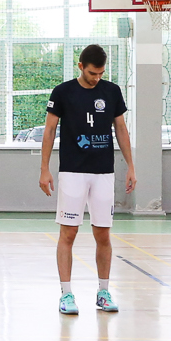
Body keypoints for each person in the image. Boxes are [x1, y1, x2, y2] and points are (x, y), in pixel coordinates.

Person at [39, 45, 136, 315]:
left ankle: (103, 291)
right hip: (73, 171)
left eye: (101, 73)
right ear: (80, 66)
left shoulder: (112, 91)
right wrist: (44, 168)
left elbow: (121, 129)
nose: (97, 78)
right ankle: (66, 294)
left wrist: (131, 165)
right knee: (68, 233)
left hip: (103, 172)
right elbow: (49, 130)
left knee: (103, 233)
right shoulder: (63, 92)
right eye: (93, 73)